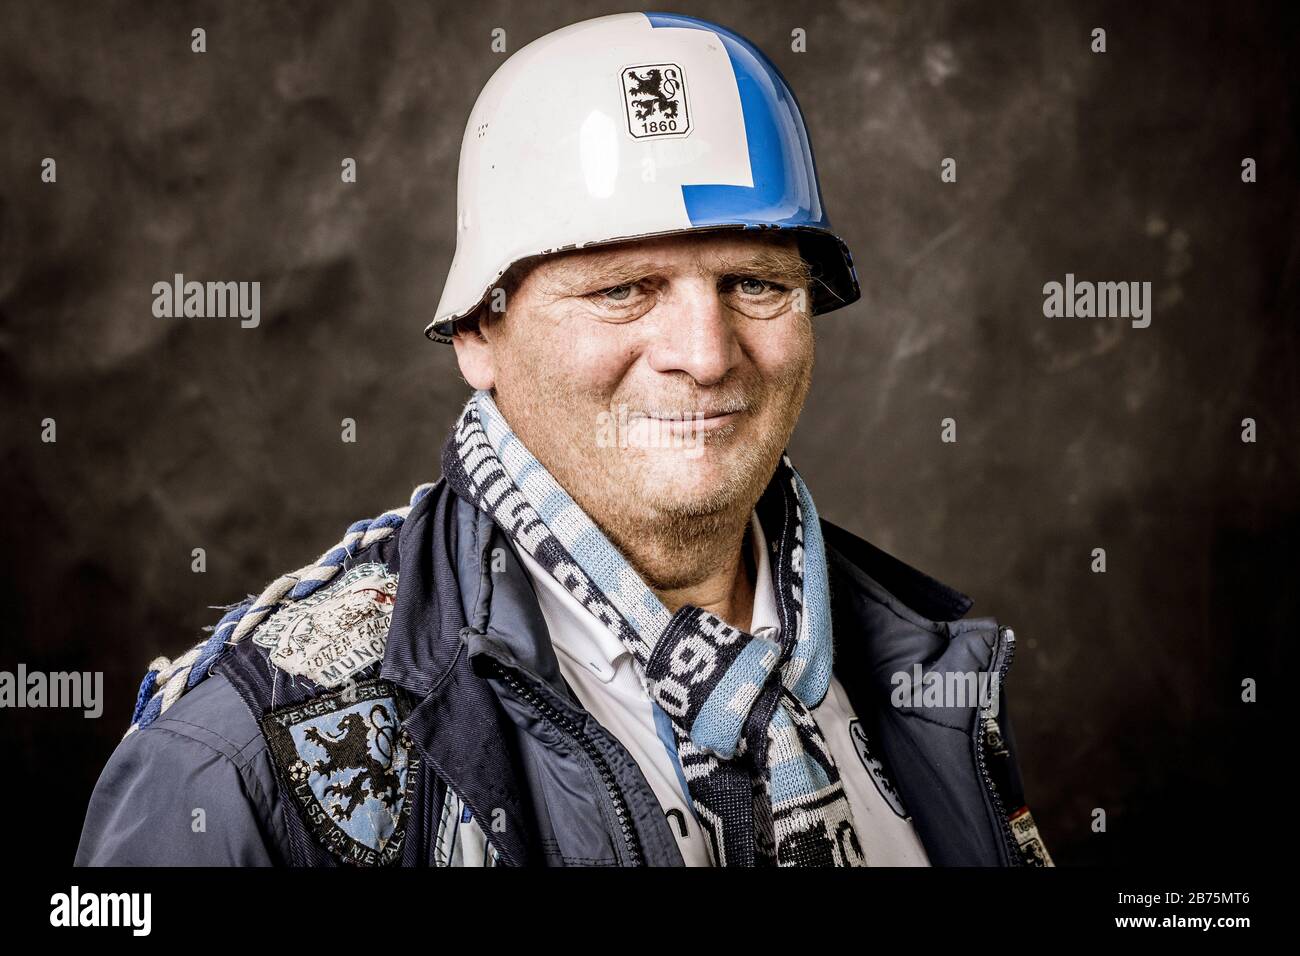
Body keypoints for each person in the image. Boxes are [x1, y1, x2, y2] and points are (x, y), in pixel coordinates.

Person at [76, 11, 1052, 867]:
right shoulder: (240, 764)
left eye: (755, 282)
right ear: (476, 332)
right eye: (622, 288)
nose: (706, 356)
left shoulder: (922, 669)